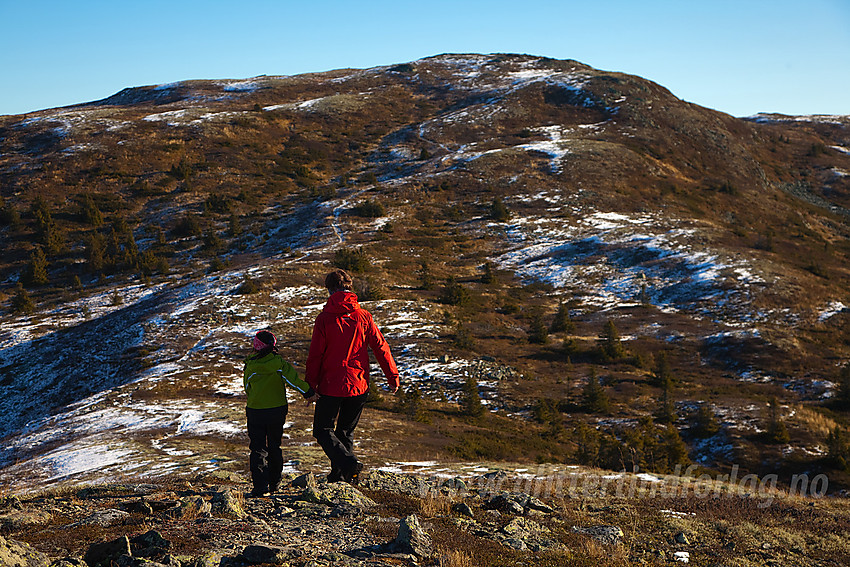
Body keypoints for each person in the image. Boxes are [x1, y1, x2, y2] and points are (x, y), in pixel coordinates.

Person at [306, 269, 400, 484]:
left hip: (331, 385)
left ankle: (348, 466)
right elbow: (381, 348)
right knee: (345, 432)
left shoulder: (324, 319)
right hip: (358, 385)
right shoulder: (364, 316)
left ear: (329, 290)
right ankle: (343, 477)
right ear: (349, 287)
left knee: (322, 430)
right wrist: (392, 376)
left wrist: (310, 387)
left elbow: (315, 356)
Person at [244, 329, 318, 497]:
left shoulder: (250, 365)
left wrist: (255, 397)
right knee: (274, 446)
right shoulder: (279, 363)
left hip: (255, 410)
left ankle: (259, 487)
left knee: (257, 448)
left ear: (256, 346)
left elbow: (247, 387)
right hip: (277, 410)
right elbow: (294, 381)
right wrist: (309, 393)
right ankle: (274, 483)